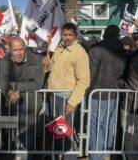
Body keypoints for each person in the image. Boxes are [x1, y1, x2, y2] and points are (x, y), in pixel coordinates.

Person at [44, 23, 90, 160]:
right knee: (56, 131)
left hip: (65, 98)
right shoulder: (60, 48)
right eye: (65, 35)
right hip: (53, 95)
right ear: (61, 35)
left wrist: (72, 103)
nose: (67, 37)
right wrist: (48, 63)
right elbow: (55, 68)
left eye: (70, 35)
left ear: (75, 35)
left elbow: (84, 81)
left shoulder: (80, 52)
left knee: (65, 132)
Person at [0, 37, 44, 160]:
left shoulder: (37, 60)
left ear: (25, 48)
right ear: (10, 50)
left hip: (31, 102)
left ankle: (27, 157)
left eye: (21, 49)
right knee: (17, 131)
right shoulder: (5, 61)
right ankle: (20, 155)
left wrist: (16, 86)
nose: (18, 53)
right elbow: (3, 80)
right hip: (14, 102)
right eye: (15, 50)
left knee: (28, 132)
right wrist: (9, 93)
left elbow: (38, 84)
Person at [88, 25, 127, 160]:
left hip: (97, 93)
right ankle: (105, 153)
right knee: (108, 124)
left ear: (105, 34)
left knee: (95, 125)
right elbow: (123, 73)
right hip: (114, 92)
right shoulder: (122, 51)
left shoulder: (96, 49)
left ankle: (95, 156)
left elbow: (91, 74)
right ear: (117, 35)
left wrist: (87, 91)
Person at [120, 32, 138, 160]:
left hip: (132, 102)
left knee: (130, 137)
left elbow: (131, 83)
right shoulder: (134, 55)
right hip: (131, 101)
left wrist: (119, 82)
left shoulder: (135, 57)